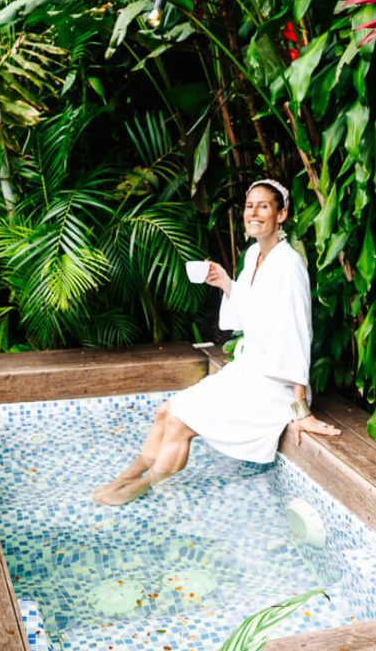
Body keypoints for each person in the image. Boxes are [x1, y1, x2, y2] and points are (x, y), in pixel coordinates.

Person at [93, 179, 340, 505]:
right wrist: (226, 283)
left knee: (181, 422)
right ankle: (127, 476)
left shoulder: (289, 265)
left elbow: (297, 334)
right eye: (249, 206)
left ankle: (143, 485)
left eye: (263, 206)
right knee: (167, 410)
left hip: (275, 386)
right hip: (249, 371)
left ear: (281, 215)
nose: (253, 213)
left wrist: (300, 407)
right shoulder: (254, 255)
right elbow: (249, 313)